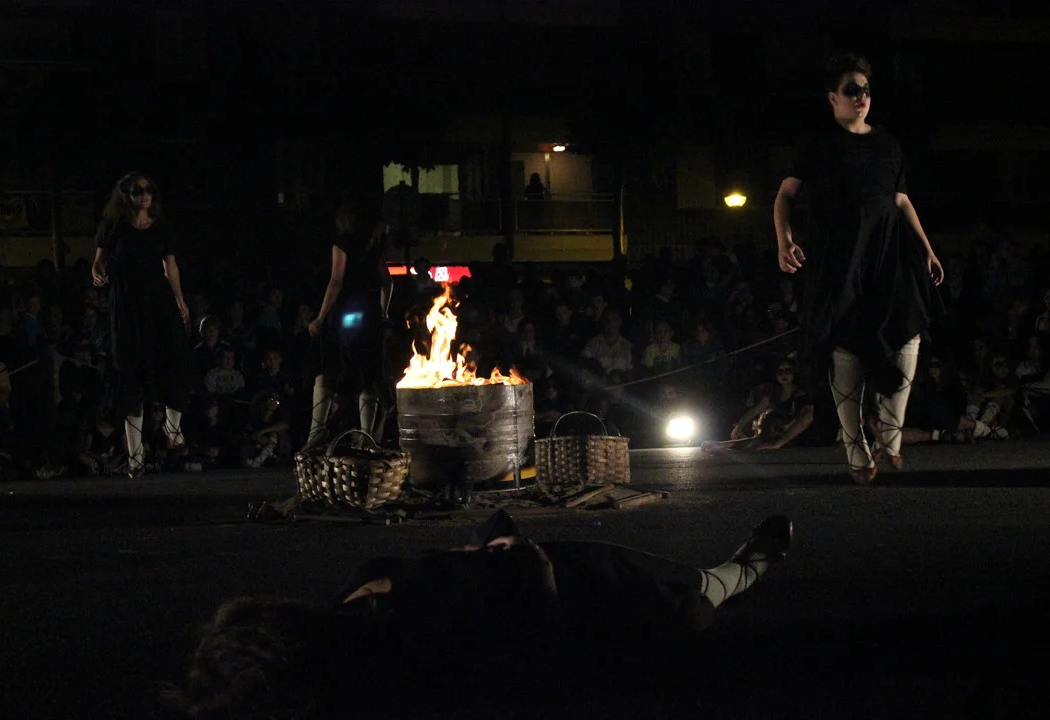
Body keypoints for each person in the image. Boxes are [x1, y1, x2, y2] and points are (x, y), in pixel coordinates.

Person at [169, 511, 793, 719]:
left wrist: (479, 550)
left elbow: (439, 569)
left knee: (679, 589)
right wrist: (521, 558)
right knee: (691, 599)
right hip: (585, 597)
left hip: (529, 567)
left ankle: (730, 576)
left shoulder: (357, 599)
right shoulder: (405, 656)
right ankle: (743, 571)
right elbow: (533, 639)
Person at [773, 53, 944, 484]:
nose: (861, 97)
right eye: (851, 90)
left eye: (866, 90)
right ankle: (854, 444)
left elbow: (901, 200)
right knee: (843, 343)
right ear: (833, 97)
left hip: (887, 251)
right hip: (837, 257)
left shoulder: (887, 143)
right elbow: (785, 194)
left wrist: (926, 248)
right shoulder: (817, 143)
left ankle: (890, 428)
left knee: (909, 323)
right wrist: (784, 239)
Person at [91, 172, 191, 478]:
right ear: (126, 195)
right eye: (137, 191)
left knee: (174, 358)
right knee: (130, 372)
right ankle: (135, 457)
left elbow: (171, 267)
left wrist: (180, 300)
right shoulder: (115, 226)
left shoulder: (162, 227)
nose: (144, 195)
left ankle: (173, 429)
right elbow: (99, 260)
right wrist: (97, 272)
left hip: (158, 300)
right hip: (126, 304)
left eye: (148, 190)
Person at [304, 201, 393, 449]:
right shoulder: (374, 246)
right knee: (367, 374)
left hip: (344, 313)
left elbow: (336, 281)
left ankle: (316, 431)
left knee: (325, 367)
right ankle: (366, 436)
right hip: (370, 316)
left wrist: (320, 317)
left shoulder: (342, 244)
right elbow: (388, 283)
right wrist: (384, 312)